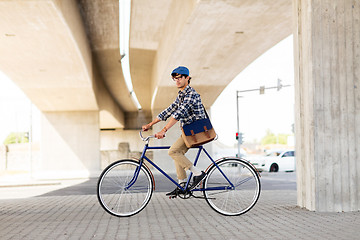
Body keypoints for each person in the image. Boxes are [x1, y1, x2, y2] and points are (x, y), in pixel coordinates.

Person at [142, 66, 207, 196]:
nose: (177, 81)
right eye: (175, 78)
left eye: (180, 78)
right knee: (176, 152)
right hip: (189, 132)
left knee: (172, 151)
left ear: (187, 78)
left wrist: (164, 130)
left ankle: (198, 174)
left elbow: (178, 114)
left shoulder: (191, 95)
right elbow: (169, 110)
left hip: (198, 130)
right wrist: (150, 124)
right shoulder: (181, 95)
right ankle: (182, 185)